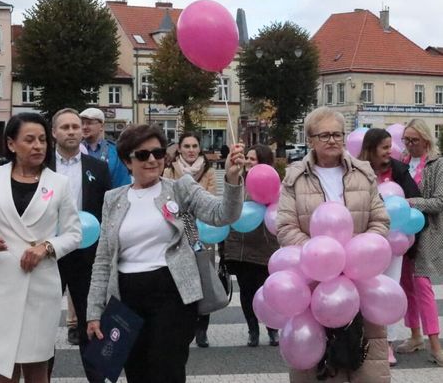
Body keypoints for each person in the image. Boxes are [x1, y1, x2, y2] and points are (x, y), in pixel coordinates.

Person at [86, 124, 244, 383]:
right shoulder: (113, 199)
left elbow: (223, 214)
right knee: (137, 373)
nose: (152, 160)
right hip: (126, 296)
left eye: (158, 153)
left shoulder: (180, 188)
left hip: (172, 293)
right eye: (142, 155)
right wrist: (94, 311)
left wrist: (233, 179)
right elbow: (103, 259)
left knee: (166, 371)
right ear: (127, 161)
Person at [0, 112, 81, 382]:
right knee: (3, 364)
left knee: (38, 364)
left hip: (39, 282)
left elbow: (74, 233)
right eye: (29, 139)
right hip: (0, 281)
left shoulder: (59, 183)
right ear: (12, 144)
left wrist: (47, 247)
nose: (38, 145)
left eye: (42, 139)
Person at [276, 107, 390, 382]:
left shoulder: (363, 173)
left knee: (366, 364)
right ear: (310, 140)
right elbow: (285, 227)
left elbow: (380, 219)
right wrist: (322, 259)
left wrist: (361, 252)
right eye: (324, 134)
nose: (332, 140)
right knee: (319, 367)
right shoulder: (294, 177)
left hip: (360, 280)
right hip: (313, 286)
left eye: (337, 134)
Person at [48, 108, 111, 382]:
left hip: (87, 255)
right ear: (54, 133)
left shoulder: (98, 167)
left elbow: (106, 210)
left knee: (92, 321)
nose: (72, 131)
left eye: (76, 126)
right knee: (45, 322)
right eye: (65, 127)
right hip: (49, 253)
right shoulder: (42, 166)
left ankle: (96, 377)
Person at [358, 128, 421, 366]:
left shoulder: (399, 170)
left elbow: (415, 199)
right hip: (365, 242)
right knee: (365, 292)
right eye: (384, 147)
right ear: (371, 148)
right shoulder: (356, 170)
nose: (390, 151)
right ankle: (365, 341)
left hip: (394, 242)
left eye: (390, 146)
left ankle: (388, 345)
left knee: (391, 290)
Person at [221, 144, 280, 347]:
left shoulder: (274, 183)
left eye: (253, 159)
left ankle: (272, 328)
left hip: (265, 246)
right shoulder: (239, 180)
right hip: (242, 246)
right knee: (246, 291)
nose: (248, 162)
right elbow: (228, 204)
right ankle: (252, 329)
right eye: (247, 157)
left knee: (268, 290)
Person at [162, 132, 216, 347]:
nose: (191, 150)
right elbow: (167, 201)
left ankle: (202, 329)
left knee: (204, 280)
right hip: (176, 231)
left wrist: (187, 205)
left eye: (195, 146)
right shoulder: (169, 170)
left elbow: (210, 200)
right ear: (180, 149)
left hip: (203, 231)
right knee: (177, 279)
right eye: (187, 146)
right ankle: (181, 327)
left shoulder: (209, 171)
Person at [396, 118, 443, 366]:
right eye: (406, 140)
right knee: (406, 284)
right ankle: (414, 335)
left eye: (414, 140)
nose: (409, 144)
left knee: (422, 285)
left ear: (426, 140)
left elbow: (439, 201)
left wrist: (409, 203)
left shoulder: (437, 164)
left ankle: (435, 344)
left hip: (427, 232)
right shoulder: (401, 162)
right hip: (402, 233)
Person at [80, 107, 131, 188]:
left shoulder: (116, 152)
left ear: (101, 126)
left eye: (89, 123)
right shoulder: (76, 150)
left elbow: (122, 185)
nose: (84, 127)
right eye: (82, 123)